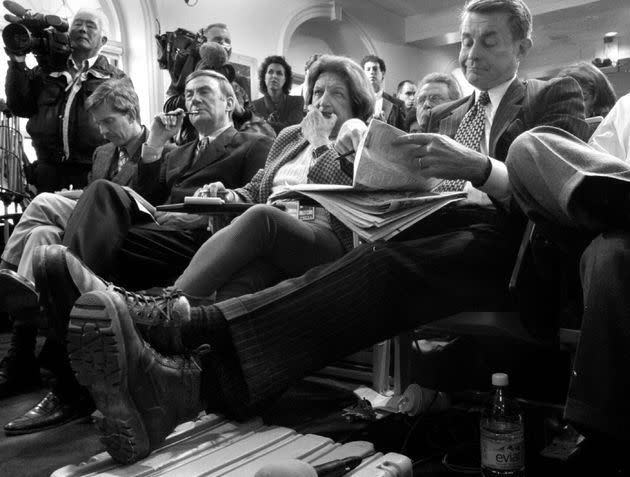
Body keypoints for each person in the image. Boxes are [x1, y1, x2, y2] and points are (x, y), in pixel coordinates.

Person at [59, 0, 589, 464]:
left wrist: (482, 170)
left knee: (365, 264)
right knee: (367, 260)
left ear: (523, 43)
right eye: (467, 40)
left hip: (508, 244)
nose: (472, 52)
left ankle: (177, 333)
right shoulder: (444, 113)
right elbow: (407, 183)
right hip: (422, 231)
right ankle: (184, 378)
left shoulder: (550, 94)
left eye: (488, 40)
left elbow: (559, 190)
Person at [1, 69, 271, 436]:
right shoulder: (183, 148)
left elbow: (258, 201)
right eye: (188, 93)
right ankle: (47, 329)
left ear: (229, 101)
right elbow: (151, 194)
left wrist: (215, 206)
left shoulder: (252, 143)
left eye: (204, 92)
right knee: (49, 233)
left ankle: (59, 358)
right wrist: (156, 144)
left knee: (100, 191)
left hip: (200, 235)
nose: (192, 100)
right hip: (155, 226)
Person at [0, 77, 148, 403]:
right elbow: (92, 189)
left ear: (131, 112)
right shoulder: (102, 152)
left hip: (126, 224)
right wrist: (73, 194)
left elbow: (142, 197)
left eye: (109, 121)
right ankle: (23, 341)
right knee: (40, 234)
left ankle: (8, 272)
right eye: (99, 123)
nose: (103, 130)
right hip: (88, 216)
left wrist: (73, 197)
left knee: (41, 203)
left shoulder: (157, 147)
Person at [505, 92, 630, 463]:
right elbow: (591, 176)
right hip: (621, 224)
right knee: (528, 147)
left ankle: (604, 437)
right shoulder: (627, 107)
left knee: (607, 256)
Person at [4, 8, 125, 193]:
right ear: (68, 33)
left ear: (103, 41)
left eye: (90, 25)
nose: (82, 29)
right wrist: (17, 62)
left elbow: (127, 129)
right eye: (78, 24)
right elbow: (19, 107)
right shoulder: (45, 70)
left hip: (94, 174)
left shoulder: (116, 78)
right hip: (45, 174)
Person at [251, 55, 304, 135]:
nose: (274, 76)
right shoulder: (254, 105)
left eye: (279, 73)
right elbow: (252, 132)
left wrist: (261, 124)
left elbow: (292, 130)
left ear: (285, 79)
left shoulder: (297, 102)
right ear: (264, 77)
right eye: (270, 72)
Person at [360, 54, 406, 130]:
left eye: (375, 69)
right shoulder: (355, 102)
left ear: (383, 74)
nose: (371, 72)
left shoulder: (397, 104)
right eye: (368, 69)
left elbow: (403, 133)